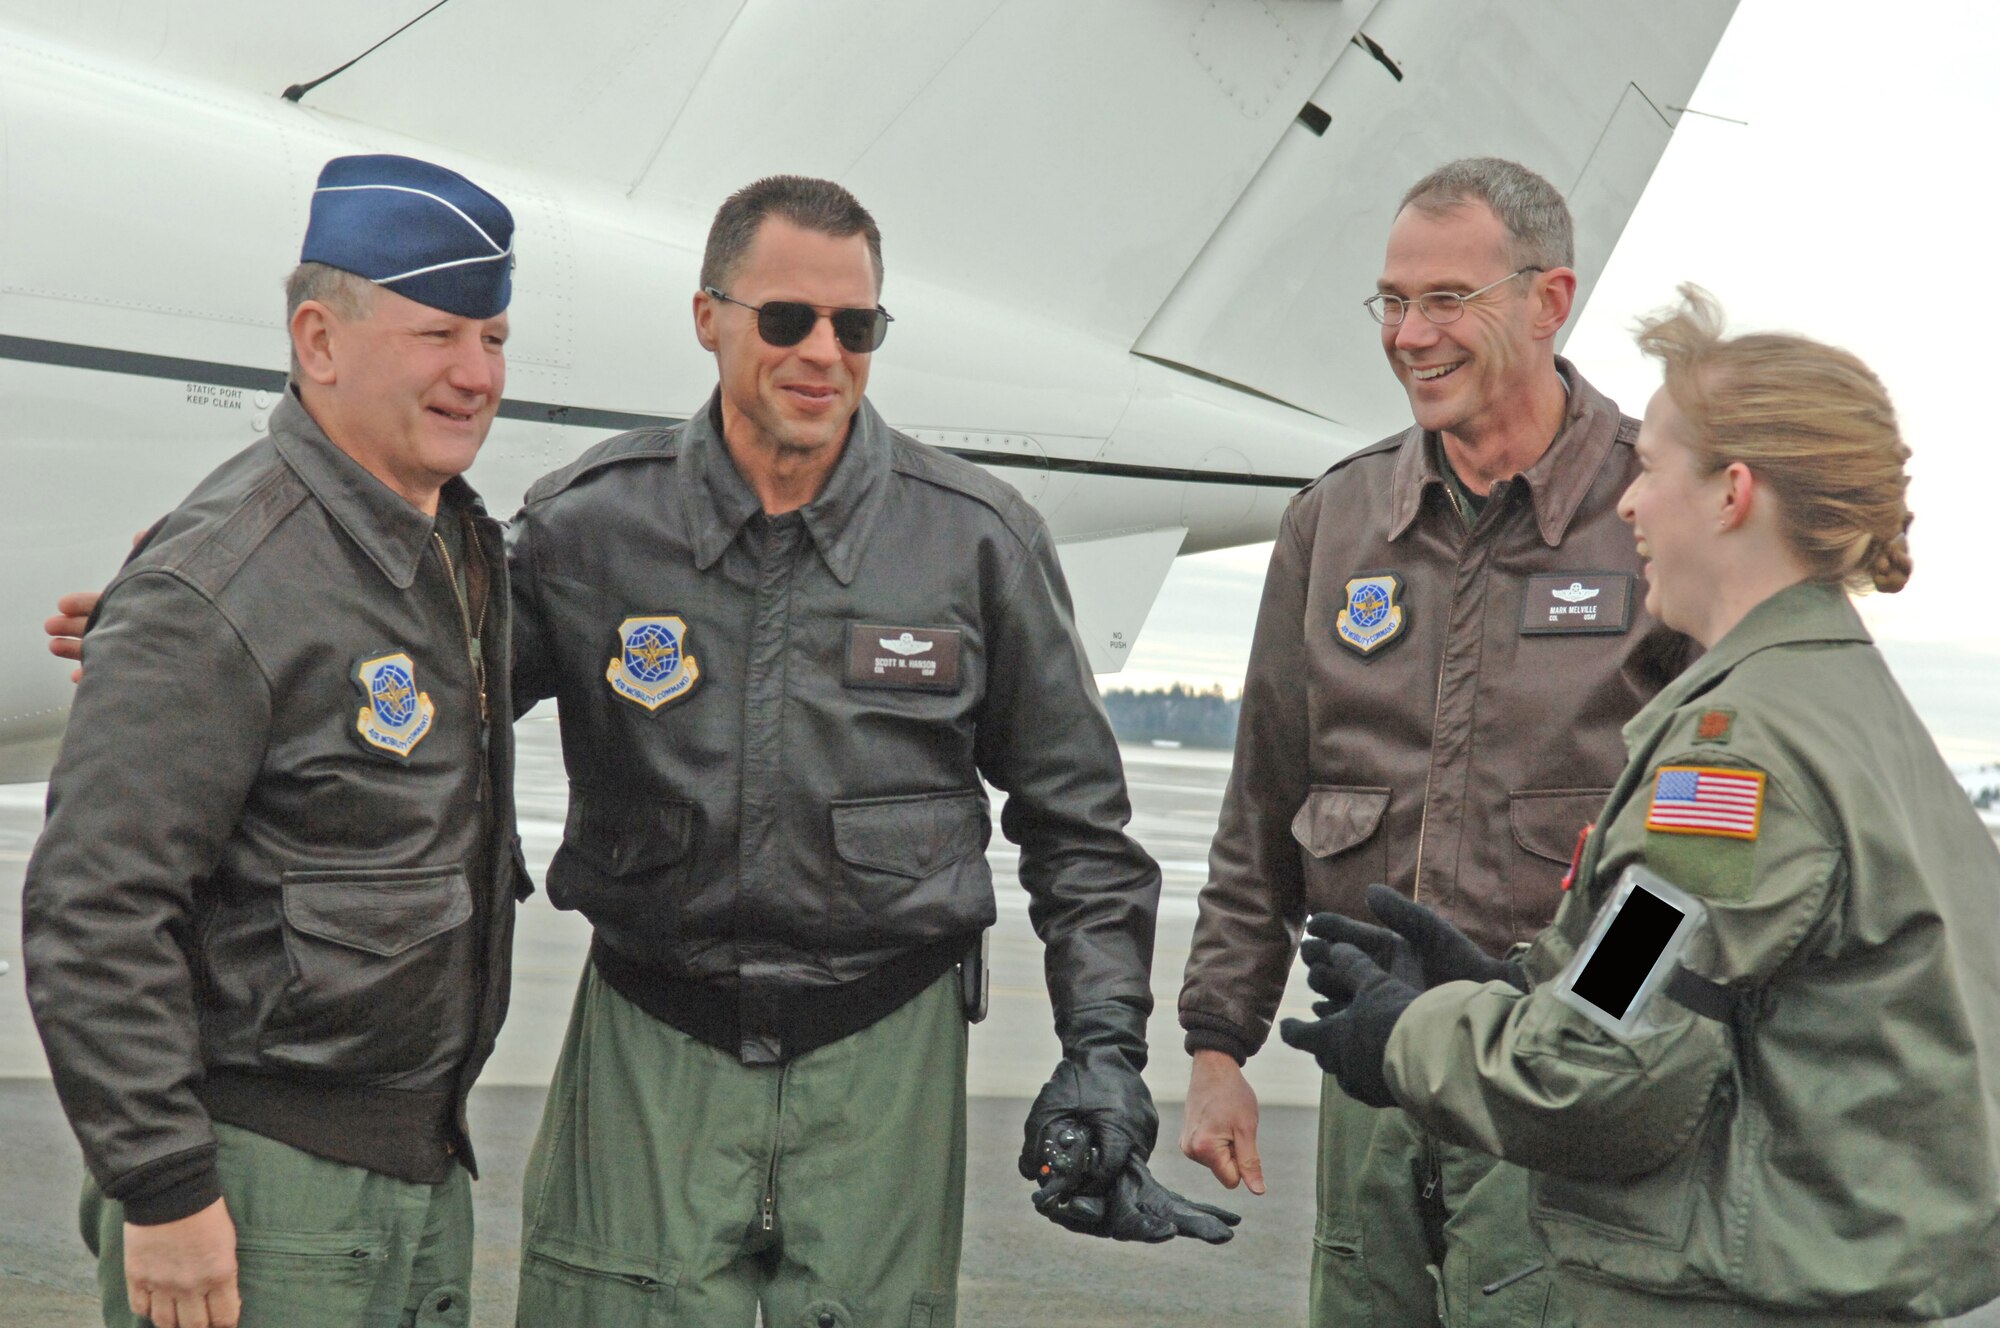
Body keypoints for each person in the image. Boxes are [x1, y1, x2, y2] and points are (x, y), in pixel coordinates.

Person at [504, 175, 1231, 1328]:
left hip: (879, 1051)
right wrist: (197, 616)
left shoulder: (974, 540)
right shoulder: (586, 527)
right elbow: (413, 698)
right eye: (785, 319)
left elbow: (1079, 828)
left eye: (857, 326)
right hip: (649, 1039)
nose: (822, 353)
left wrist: (1105, 1051)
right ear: (708, 317)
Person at [1287, 285, 2000, 1326]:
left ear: (1730, 494)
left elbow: (1607, 1068)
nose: (1625, 502)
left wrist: (1409, 1037)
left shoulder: (1731, 760)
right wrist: (1503, 989)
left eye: (1651, 466)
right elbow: (1685, 991)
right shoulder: (1849, 713)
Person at [1176, 157, 1694, 1327]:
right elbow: (1260, 808)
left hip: (1560, 1071)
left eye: (1444, 300)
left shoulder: (1651, 511)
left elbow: (1710, 840)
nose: (1409, 334)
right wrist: (1217, 1045)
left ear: (1548, 299)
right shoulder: (1336, 519)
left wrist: (1590, 1032)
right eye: (1391, 301)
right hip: (1376, 1065)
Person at [24, 154, 524, 1328]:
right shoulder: (221, 585)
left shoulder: (444, 548)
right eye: (439, 333)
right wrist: (165, 1190)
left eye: (494, 337)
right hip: (262, 1187)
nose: (476, 375)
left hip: (416, 1170)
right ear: (319, 339)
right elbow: (95, 906)